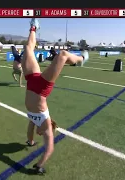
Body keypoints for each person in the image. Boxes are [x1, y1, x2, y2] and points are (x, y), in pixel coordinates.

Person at [23, 19, 88, 174]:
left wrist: (31, 142)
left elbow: (29, 133)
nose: (39, 133)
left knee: (27, 49)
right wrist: (39, 165)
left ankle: (34, 27)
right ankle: (81, 60)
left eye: (37, 133)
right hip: (41, 89)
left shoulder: (34, 121)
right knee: (63, 55)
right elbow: (50, 148)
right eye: (41, 134)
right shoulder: (45, 126)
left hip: (32, 81)